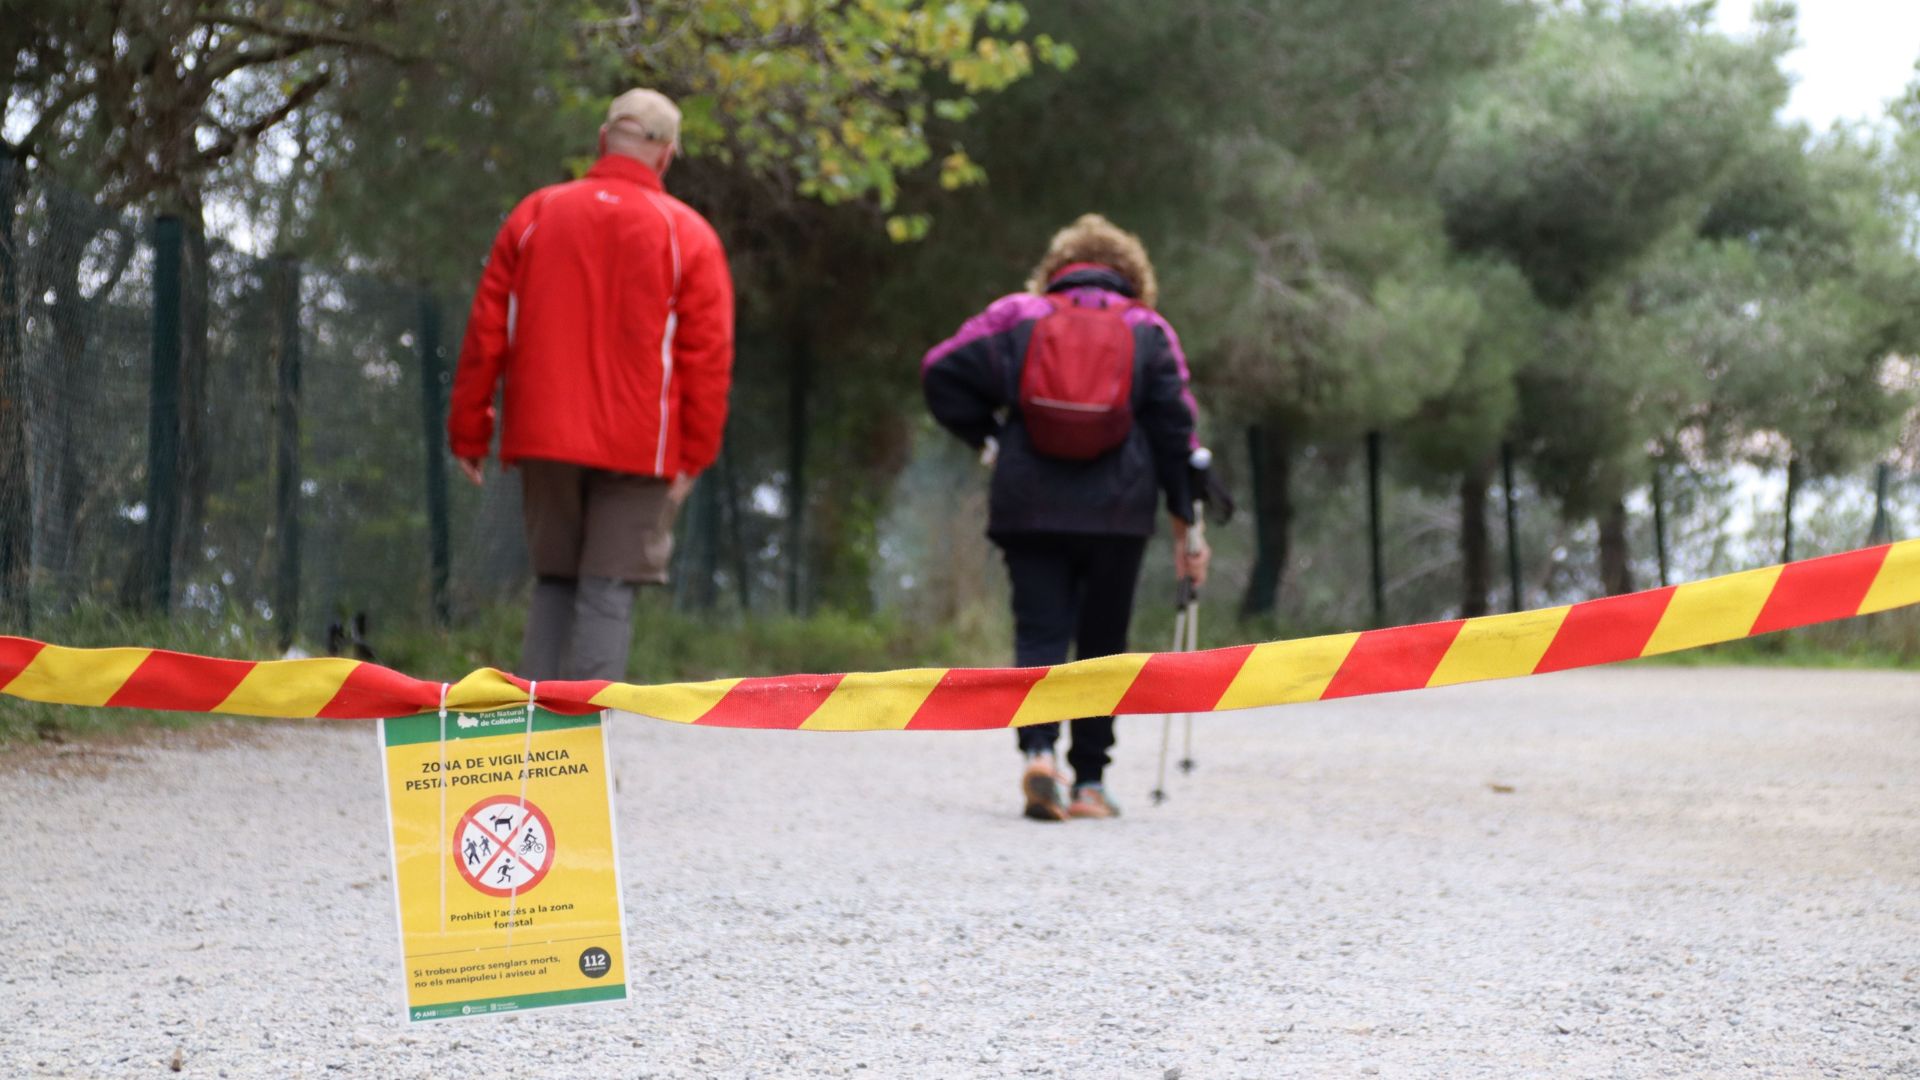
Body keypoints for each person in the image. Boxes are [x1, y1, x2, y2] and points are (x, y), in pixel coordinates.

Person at [922, 214, 1210, 822]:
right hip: (1118, 509)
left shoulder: (1018, 317)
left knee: (1040, 633)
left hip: (1030, 501)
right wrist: (1189, 529)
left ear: (1057, 267)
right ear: (1133, 274)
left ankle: (1039, 753)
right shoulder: (1147, 329)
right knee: (1103, 645)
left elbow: (941, 371)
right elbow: (1176, 433)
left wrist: (992, 438)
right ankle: (1089, 784)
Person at [449, 89, 734, 682]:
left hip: (544, 433)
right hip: (643, 447)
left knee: (555, 580)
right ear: (667, 155)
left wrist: (470, 428)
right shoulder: (689, 235)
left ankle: (541, 755)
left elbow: (486, 331)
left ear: (604, 139)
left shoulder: (536, 213)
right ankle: (582, 753)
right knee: (607, 589)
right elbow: (706, 358)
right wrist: (695, 453)